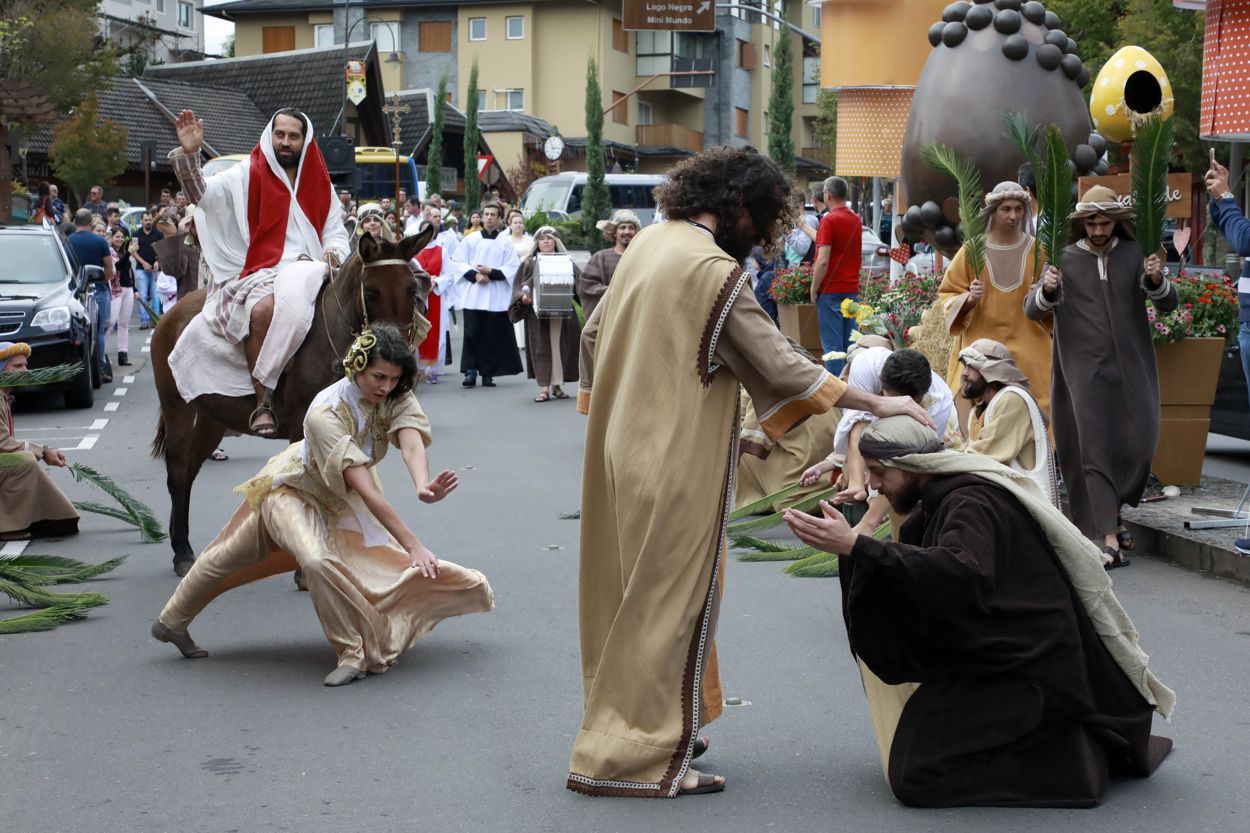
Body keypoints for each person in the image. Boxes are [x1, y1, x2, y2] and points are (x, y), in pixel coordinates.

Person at [569, 146, 934, 798]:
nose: (762, 235)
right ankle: (639, 757)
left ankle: (653, 724)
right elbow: (781, 363)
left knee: (633, 597)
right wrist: (880, 399)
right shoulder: (711, 270)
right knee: (671, 603)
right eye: (763, 218)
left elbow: (595, 336)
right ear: (740, 206)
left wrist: (616, 409)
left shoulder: (650, 245)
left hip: (623, 450)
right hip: (675, 462)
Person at [782, 415, 1174, 808]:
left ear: (914, 467)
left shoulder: (971, 501)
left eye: (879, 472)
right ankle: (1060, 741)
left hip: (1026, 670)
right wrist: (854, 548)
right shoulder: (939, 502)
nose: (873, 486)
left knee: (915, 777)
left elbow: (961, 573)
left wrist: (858, 547)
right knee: (914, 767)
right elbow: (925, 576)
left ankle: (1072, 764)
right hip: (993, 658)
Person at [151, 324, 493, 686]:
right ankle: (173, 624)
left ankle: (349, 652)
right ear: (355, 365)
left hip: (339, 497)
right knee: (260, 557)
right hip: (292, 491)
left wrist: (422, 484)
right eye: (379, 377)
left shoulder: (395, 393)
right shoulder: (324, 413)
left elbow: (409, 440)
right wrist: (413, 544)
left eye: (394, 379)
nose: (386, 386)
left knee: (366, 565)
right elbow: (366, 488)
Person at [166, 108, 350, 436]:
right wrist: (191, 155)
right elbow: (202, 196)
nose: (285, 142)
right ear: (271, 135)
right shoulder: (246, 174)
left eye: (293, 136)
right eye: (280, 134)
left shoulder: (321, 181)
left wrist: (334, 251)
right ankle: (264, 400)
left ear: (304, 141)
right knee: (264, 309)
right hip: (263, 271)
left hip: (315, 270)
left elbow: (335, 230)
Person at [1025, 185, 1177, 568]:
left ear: (1116, 222)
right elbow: (1031, 309)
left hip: (1133, 367)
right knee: (1093, 448)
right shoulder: (1062, 260)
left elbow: (1169, 304)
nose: (1097, 229)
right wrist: (1047, 288)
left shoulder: (1135, 256)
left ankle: (1115, 512)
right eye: (1090, 222)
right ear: (1081, 224)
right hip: (1083, 371)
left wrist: (1158, 280)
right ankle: (1108, 536)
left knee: (1140, 443)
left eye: (1103, 221)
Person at [801, 345, 956, 536]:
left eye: (910, 403)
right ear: (882, 383)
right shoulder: (866, 364)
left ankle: (884, 532)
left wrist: (869, 521)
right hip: (869, 447)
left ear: (922, 397)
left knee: (903, 499)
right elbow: (857, 423)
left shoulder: (939, 403)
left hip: (908, 472)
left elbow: (908, 464)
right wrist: (857, 483)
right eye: (896, 402)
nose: (903, 407)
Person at [939, 181, 1053, 419]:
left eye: (1019, 209)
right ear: (993, 211)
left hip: (1029, 344)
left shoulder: (1039, 250)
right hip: (982, 348)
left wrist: (1043, 294)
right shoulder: (972, 250)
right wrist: (969, 298)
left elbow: (1053, 299)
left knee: (1041, 405)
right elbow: (947, 295)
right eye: (1006, 209)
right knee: (976, 408)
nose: (1013, 216)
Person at [958, 338, 1056, 505]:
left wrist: (941, 461)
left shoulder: (1012, 399)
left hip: (1028, 506)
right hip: (1004, 501)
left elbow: (985, 454)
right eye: (964, 366)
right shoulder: (980, 409)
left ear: (992, 369)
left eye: (971, 366)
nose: (964, 373)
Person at [0, 343, 80, 541]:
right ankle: (8, 525)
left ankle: (44, 517)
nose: (25, 371)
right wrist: (42, 452)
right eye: (17, 367)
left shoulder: (4, 396)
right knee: (22, 461)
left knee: (21, 458)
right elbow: (2, 443)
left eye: (25, 366)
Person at [449, 201, 522, 388]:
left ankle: (488, 373)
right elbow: (457, 261)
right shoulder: (471, 240)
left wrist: (491, 271)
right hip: (474, 295)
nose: (489, 217)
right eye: (486, 214)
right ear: (482, 216)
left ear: (499, 219)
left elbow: (512, 267)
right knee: (472, 333)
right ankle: (470, 371)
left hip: (495, 295)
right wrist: (475, 274)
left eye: (493, 215)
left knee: (491, 334)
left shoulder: (505, 242)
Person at [510, 226, 581, 402]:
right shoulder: (529, 263)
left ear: (556, 243)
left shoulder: (567, 262)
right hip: (537, 315)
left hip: (562, 314)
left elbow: (581, 285)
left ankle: (557, 386)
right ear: (537, 243)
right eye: (542, 239)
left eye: (549, 238)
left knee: (560, 347)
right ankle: (544, 389)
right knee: (541, 349)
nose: (546, 241)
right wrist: (523, 298)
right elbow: (519, 287)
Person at [811, 176, 863, 375]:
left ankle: (835, 400)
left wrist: (813, 289)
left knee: (833, 349)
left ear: (828, 195)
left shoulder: (828, 220)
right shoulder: (856, 219)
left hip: (830, 291)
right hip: (851, 289)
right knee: (851, 346)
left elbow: (822, 260)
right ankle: (852, 388)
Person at [64, 209, 115, 384]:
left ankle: (78, 367)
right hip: (98, 288)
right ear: (91, 223)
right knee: (99, 330)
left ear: (74, 221)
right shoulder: (100, 241)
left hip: (75, 292)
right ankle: (98, 368)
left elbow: (66, 269)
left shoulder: (67, 241)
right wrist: (103, 279)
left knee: (78, 332)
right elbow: (109, 268)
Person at [412, 204, 453, 383]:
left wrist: (436, 282)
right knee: (418, 329)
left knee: (435, 331)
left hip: (435, 294)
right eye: (424, 231)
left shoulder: (442, 251)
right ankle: (418, 367)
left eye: (430, 231)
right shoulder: (413, 252)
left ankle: (433, 369)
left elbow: (450, 274)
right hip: (419, 295)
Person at [576, 209, 638, 320]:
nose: (627, 232)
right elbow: (588, 287)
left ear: (636, 232)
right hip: (608, 320)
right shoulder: (600, 258)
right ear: (614, 232)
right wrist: (616, 291)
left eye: (631, 228)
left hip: (635, 318)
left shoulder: (643, 258)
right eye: (623, 227)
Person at [130, 210, 164, 330]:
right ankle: (144, 320)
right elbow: (133, 251)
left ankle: (155, 319)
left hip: (155, 269)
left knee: (156, 295)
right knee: (142, 295)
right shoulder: (136, 234)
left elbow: (163, 250)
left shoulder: (158, 234)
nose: (148, 222)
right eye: (146, 220)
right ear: (141, 221)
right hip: (141, 268)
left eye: (150, 220)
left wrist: (158, 261)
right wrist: (143, 263)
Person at [107, 229, 136, 367]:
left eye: (121, 237)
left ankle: (123, 355)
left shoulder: (125, 252)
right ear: (111, 238)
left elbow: (129, 271)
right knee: (111, 323)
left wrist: (134, 289)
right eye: (116, 236)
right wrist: (129, 253)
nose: (119, 239)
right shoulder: (110, 252)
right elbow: (116, 267)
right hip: (116, 290)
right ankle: (102, 354)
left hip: (128, 289)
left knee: (124, 324)